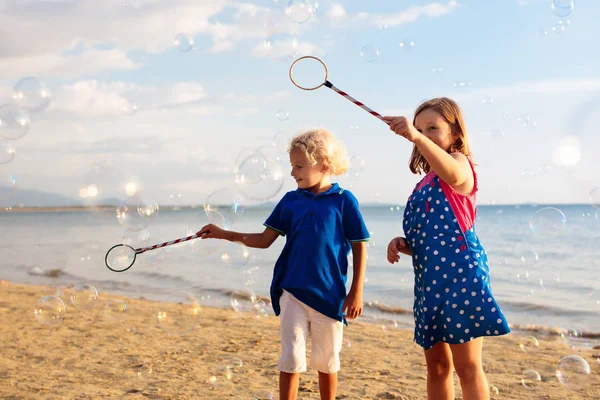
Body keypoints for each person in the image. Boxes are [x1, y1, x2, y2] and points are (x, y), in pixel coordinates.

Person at [198, 128, 370, 400]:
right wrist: (223, 233)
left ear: (325, 164)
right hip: (292, 290)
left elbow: (360, 246)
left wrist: (356, 291)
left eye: (299, 166)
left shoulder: (344, 201)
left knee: (327, 361)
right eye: (292, 166)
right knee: (290, 357)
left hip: (330, 295)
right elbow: (265, 239)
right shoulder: (290, 200)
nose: (293, 173)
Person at [384, 98, 510, 400]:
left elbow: (453, 174)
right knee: (437, 366)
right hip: (430, 280)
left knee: (467, 365)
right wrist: (405, 244)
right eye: (419, 129)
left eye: (433, 128)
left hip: (461, 277)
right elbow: (433, 237)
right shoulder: (423, 183)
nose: (424, 134)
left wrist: (414, 136)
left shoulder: (460, 165)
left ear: (455, 134)